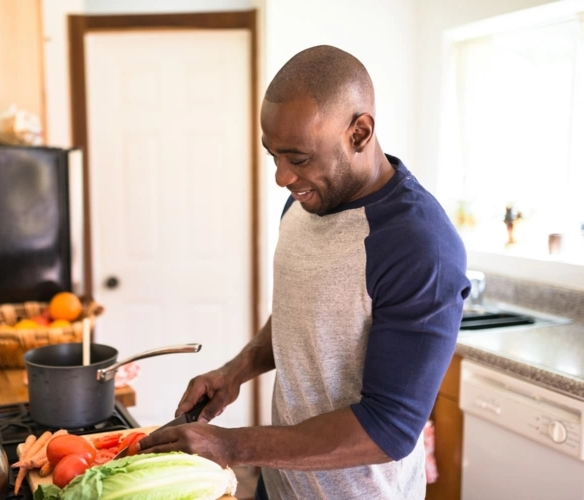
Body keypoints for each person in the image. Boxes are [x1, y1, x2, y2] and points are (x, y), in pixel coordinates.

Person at [137, 45, 470, 499]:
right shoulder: (304, 200)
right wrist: (235, 371)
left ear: (360, 132)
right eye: (273, 155)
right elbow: (304, 314)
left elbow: (387, 429)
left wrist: (232, 445)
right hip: (279, 485)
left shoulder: (420, 247)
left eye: (297, 158)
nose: (281, 177)